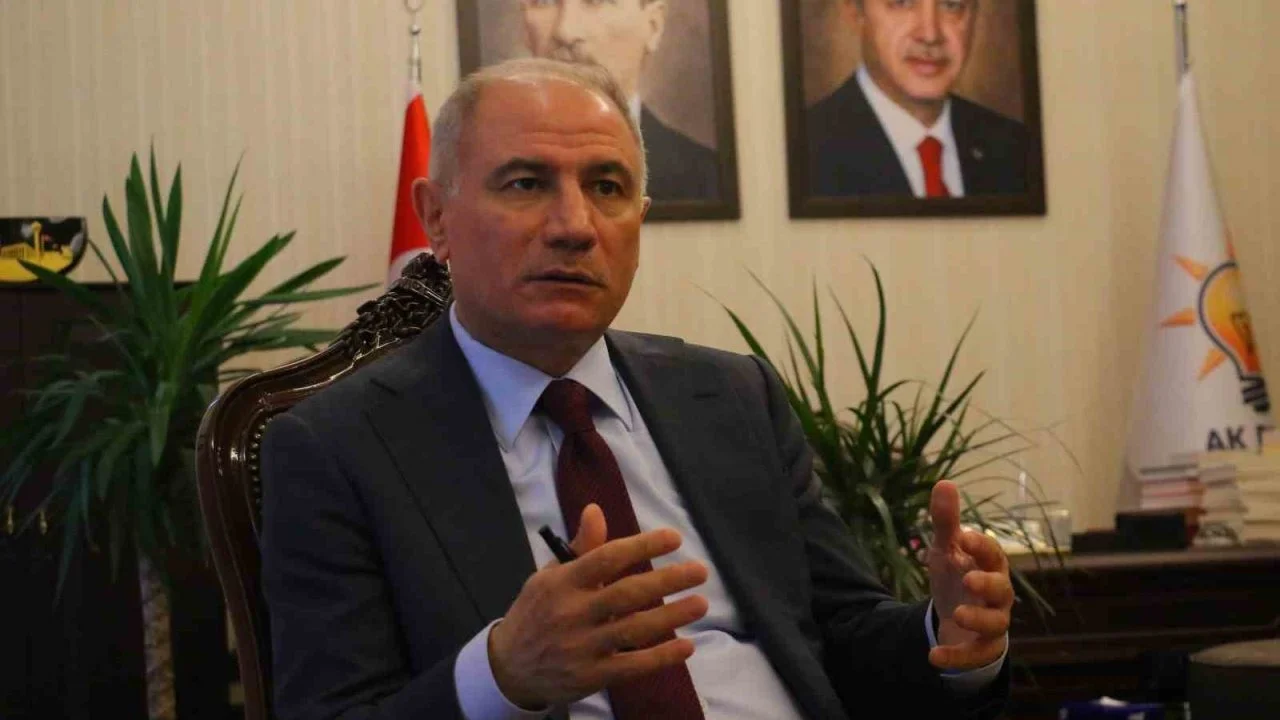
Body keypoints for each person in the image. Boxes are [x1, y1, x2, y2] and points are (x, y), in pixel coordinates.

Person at [261, 58, 1013, 720]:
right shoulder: (337, 448)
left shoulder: (734, 398)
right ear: (436, 218)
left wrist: (946, 635)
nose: (575, 225)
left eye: (607, 187)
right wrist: (502, 674)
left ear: (640, 221)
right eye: (526, 183)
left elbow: (841, 633)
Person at [806, 0, 1028, 198]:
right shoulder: (806, 151)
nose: (930, 35)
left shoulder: (1018, 149)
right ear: (855, 11)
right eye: (902, 3)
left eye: (952, 5)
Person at [519, 0, 721, 202]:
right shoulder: (501, 160)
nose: (565, 31)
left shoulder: (707, 178)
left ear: (653, 26)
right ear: (525, 29)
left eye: (596, 2)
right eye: (544, 1)